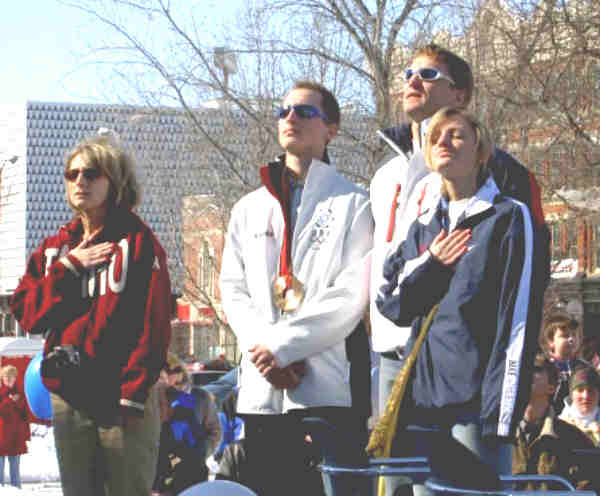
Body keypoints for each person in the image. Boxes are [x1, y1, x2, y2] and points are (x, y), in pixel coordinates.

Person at [369, 42, 549, 435]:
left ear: (460, 95)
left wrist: (501, 398)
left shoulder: (506, 179)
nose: (414, 81)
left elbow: (520, 295)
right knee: (402, 485)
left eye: (429, 74)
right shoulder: (385, 176)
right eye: (408, 74)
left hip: (469, 372)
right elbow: (385, 278)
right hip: (400, 360)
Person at [371, 108, 541, 494]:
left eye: (457, 135)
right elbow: (392, 306)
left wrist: (501, 412)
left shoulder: (508, 217)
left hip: (476, 407)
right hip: (423, 404)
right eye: (435, 138)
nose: (444, 142)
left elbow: (517, 318)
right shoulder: (423, 227)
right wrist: (433, 263)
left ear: (482, 152)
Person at [219, 80, 373, 496]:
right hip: (262, 391)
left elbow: (350, 295)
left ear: (331, 129)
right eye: (283, 110)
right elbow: (233, 289)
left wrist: (285, 347)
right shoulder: (249, 208)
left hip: (324, 388)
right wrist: (266, 352)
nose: (290, 118)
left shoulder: (354, 203)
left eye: (305, 112)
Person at [10, 134, 172, 496]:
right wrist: (67, 268)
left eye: (92, 173)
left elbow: (154, 325)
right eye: (72, 174)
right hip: (70, 397)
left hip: (122, 398)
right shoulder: (55, 248)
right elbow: (27, 313)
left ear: (116, 181)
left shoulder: (139, 242)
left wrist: (131, 395)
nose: (80, 181)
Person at [513, 354, 597, 491]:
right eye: (523, 369)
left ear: (552, 387)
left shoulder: (573, 438)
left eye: (536, 369)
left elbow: (588, 486)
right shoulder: (500, 435)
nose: (526, 373)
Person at [153, 364, 221, 495]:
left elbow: (214, 431)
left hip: (192, 470)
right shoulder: (157, 402)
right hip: (162, 474)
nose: (175, 391)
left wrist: (203, 451)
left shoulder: (199, 399)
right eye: (169, 387)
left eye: (178, 384)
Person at [539, 312, 584, 414]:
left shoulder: (582, 367)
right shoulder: (543, 367)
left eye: (574, 335)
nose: (571, 339)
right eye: (565, 336)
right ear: (551, 341)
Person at [0, 365, 30, 489]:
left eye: (11, 376)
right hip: (1, 436)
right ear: (2, 378)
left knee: (15, 473)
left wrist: (26, 434)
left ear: (15, 378)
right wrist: (10, 401)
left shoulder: (20, 393)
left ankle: (17, 491)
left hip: (15, 437)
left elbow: (24, 414)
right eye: (6, 376)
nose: (8, 378)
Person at [559, 362, 600, 446]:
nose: (586, 396)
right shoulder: (559, 424)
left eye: (591, 390)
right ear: (571, 394)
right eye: (580, 390)